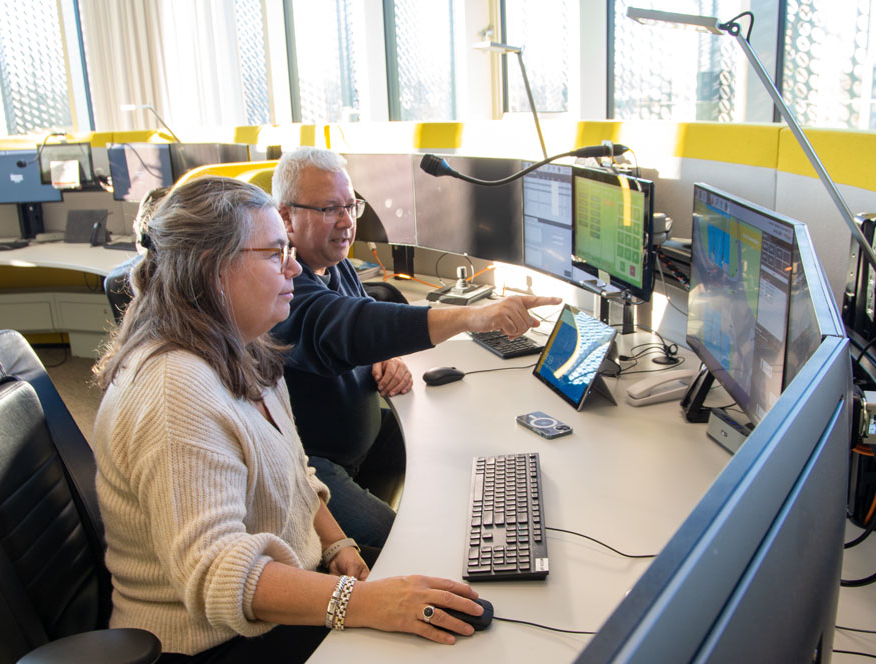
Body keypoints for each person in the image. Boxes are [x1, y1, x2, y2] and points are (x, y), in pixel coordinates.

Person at [91, 175, 485, 663]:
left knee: (441, 586)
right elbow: (220, 577)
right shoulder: (175, 391)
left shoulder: (244, 347)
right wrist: (366, 603)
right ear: (213, 268)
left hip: (278, 594)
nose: (295, 267)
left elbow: (295, 470)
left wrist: (336, 542)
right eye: (275, 253)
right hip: (215, 641)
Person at [270, 147, 560, 548]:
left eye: (351, 206)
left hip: (366, 443)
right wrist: (472, 317)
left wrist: (385, 356)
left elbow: (364, 324)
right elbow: (341, 327)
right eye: (329, 209)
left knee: (460, 454)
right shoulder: (280, 287)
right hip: (314, 466)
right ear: (286, 217)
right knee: (402, 543)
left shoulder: (335, 264)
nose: (347, 222)